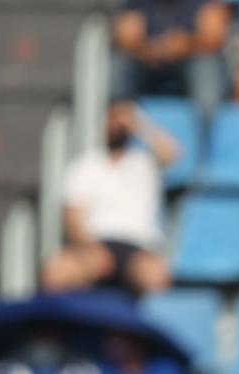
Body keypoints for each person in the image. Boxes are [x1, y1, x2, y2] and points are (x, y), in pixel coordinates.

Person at [42, 103, 176, 296]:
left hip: (138, 248)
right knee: (57, 272)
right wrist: (89, 248)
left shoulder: (145, 163)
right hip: (96, 244)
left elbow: (171, 153)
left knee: (155, 276)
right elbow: (72, 216)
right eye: (112, 118)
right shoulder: (86, 165)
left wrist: (139, 124)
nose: (117, 124)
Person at [111, 0, 229, 115]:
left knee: (206, 68)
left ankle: (208, 127)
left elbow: (214, 37)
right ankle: (116, 122)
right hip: (145, 61)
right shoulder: (137, 3)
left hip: (189, 60)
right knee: (118, 64)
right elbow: (124, 37)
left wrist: (187, 44)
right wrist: (147, 49)